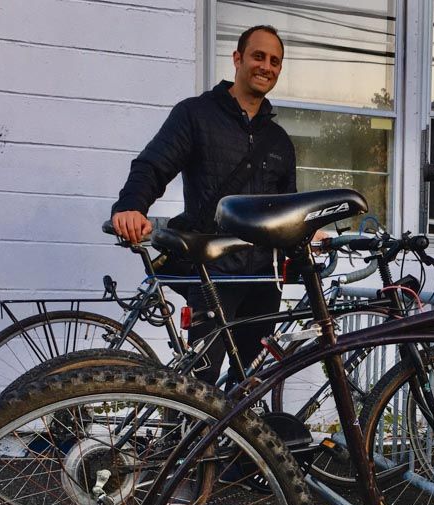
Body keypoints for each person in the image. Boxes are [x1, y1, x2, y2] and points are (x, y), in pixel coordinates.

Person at [111, 25, 296, 385]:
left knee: (251, 382)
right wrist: (132, 205)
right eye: (258, 56)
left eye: (275, 61)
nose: (266, 66)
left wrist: (310, 237)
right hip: (213, 272)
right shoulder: (196, 115)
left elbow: (285, 209)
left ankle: (232, 443)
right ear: (238, 58)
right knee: (201, 383)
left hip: (263, 278)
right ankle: (189, 443)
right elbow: (153, 165)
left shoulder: (279, 141)